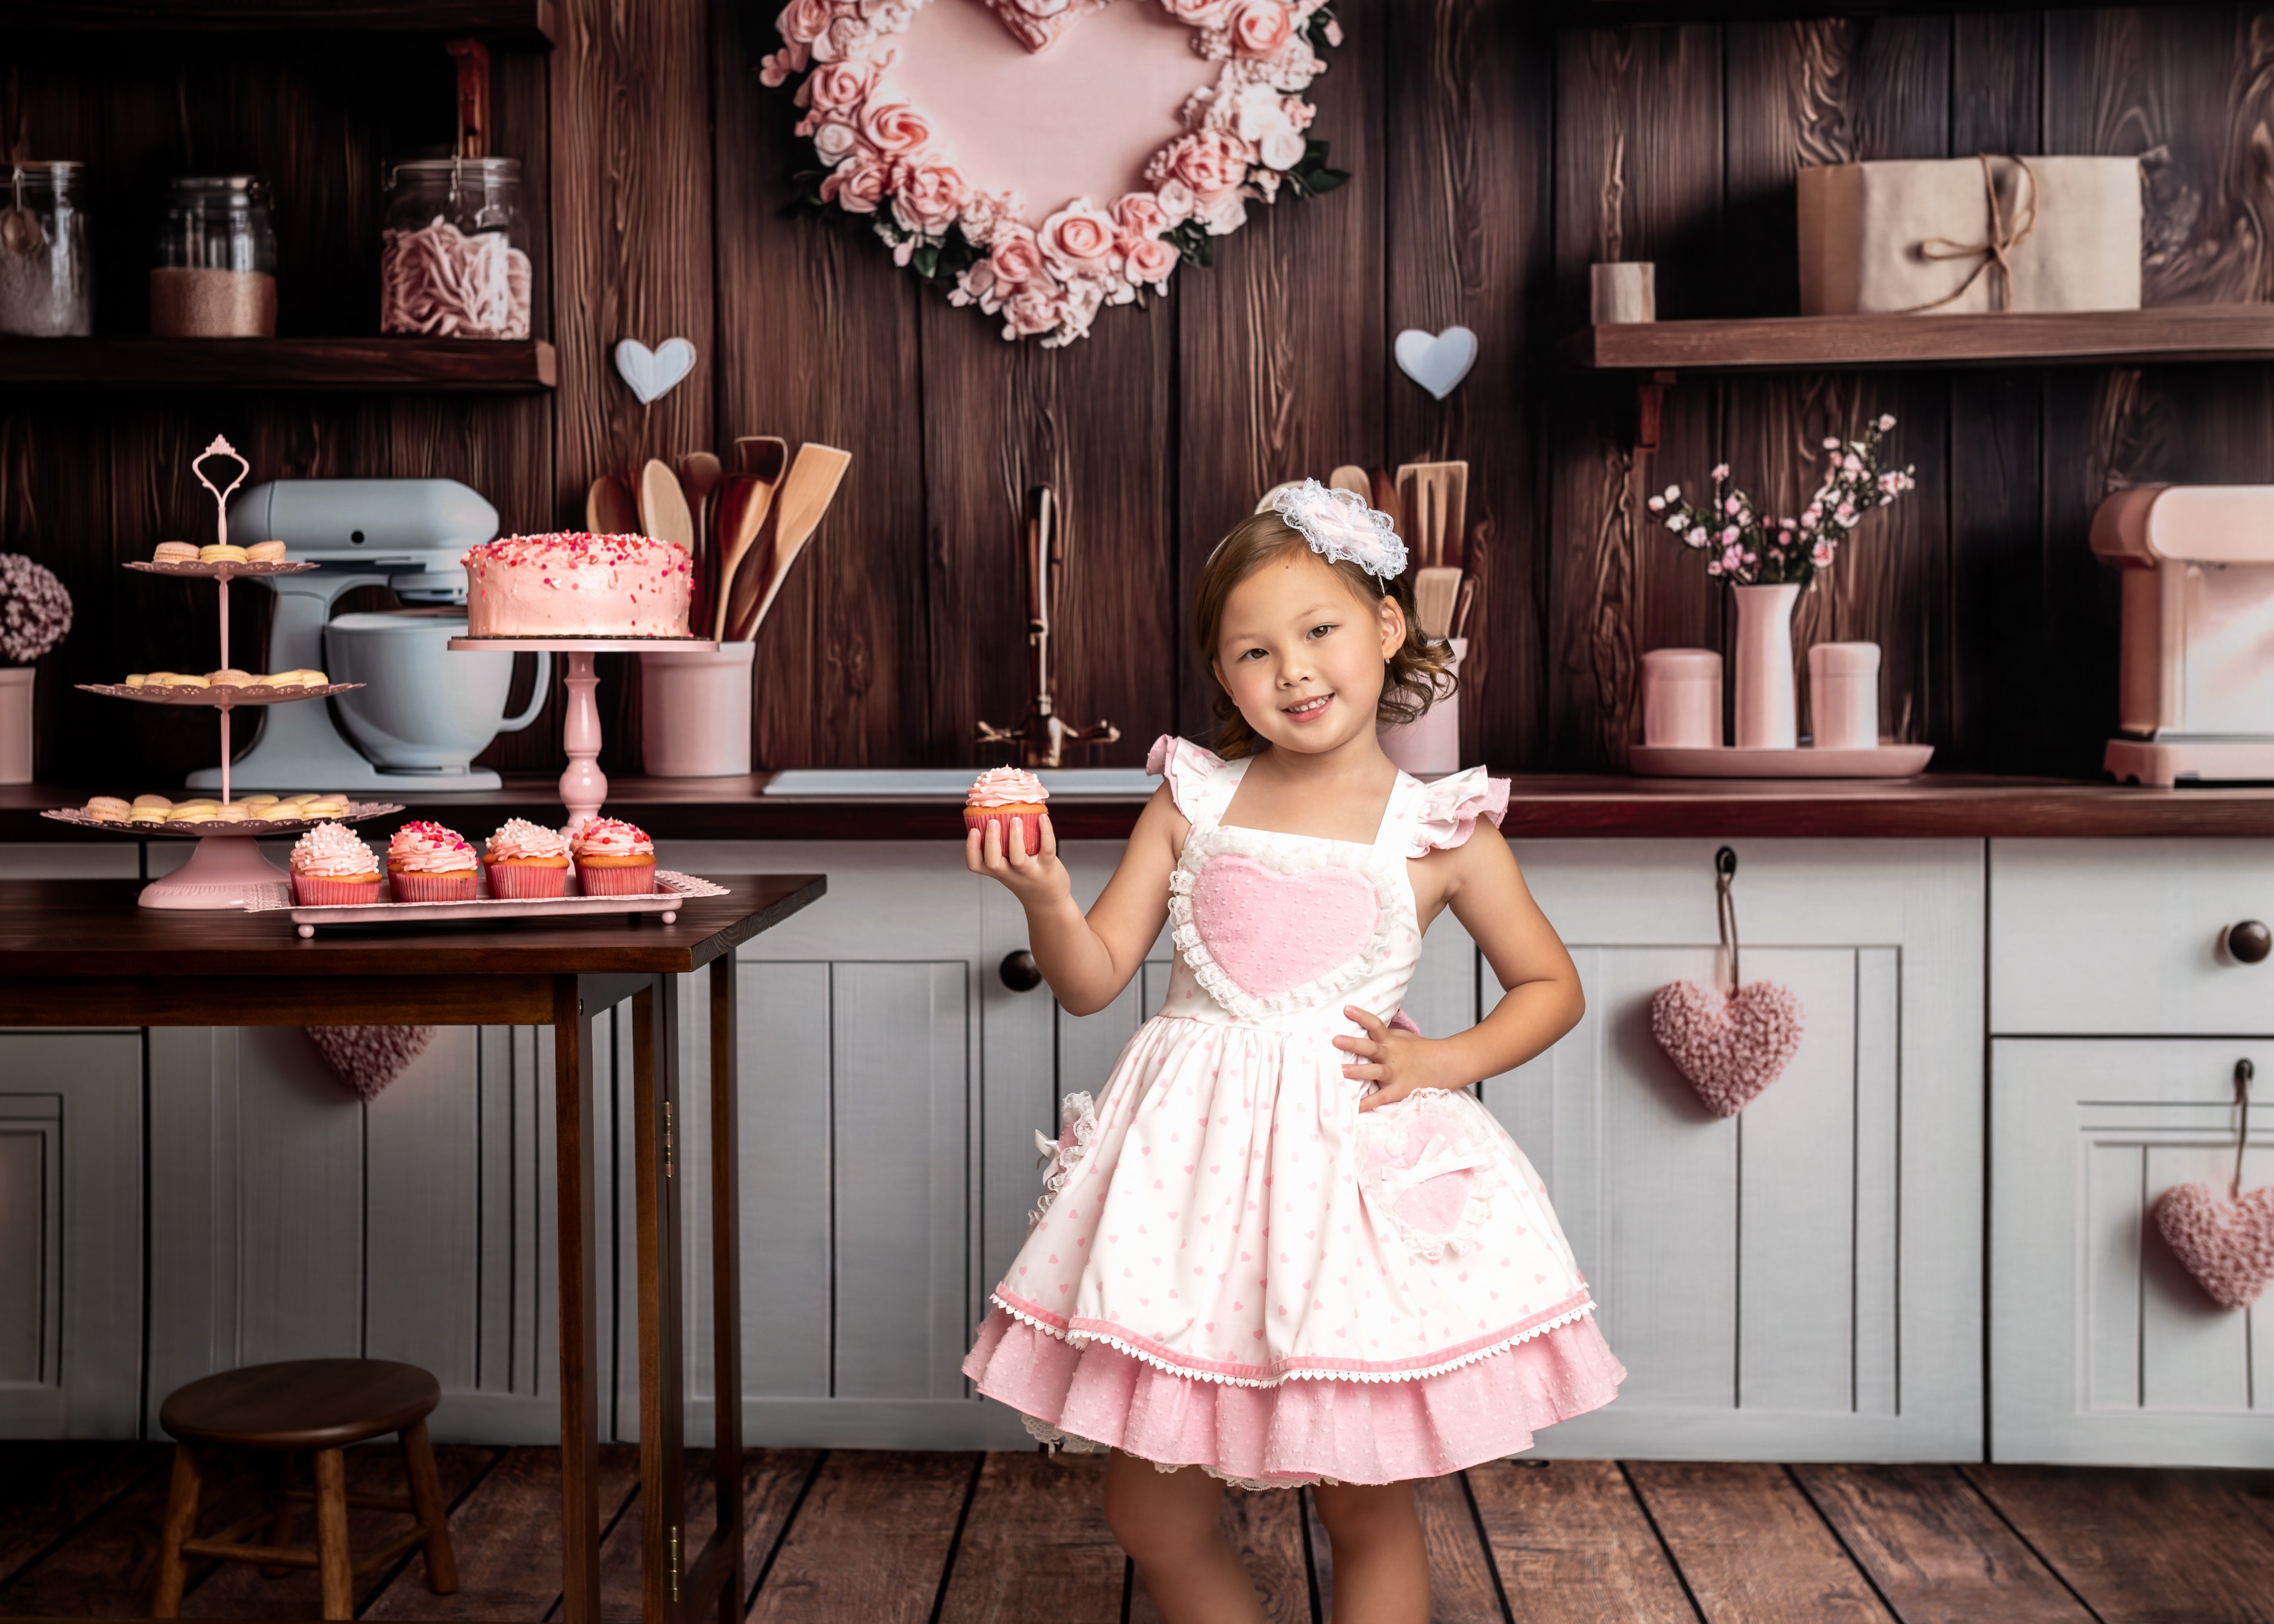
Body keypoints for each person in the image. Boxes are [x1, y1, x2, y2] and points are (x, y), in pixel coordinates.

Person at [962, 479, 1624, 1623]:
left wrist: (1444, 1059)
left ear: (1383, 627)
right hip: (1184, 1195)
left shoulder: (1439, 828)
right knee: (1152, 1515)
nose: (1294, 670)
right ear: (1224, 677)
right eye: (1254, 651)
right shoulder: (1193, 798)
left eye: (1319, 631)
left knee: (1361, 1500)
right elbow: (1088, 983)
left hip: (1339, 1196)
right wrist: (1046, 896)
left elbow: (1551, 986)